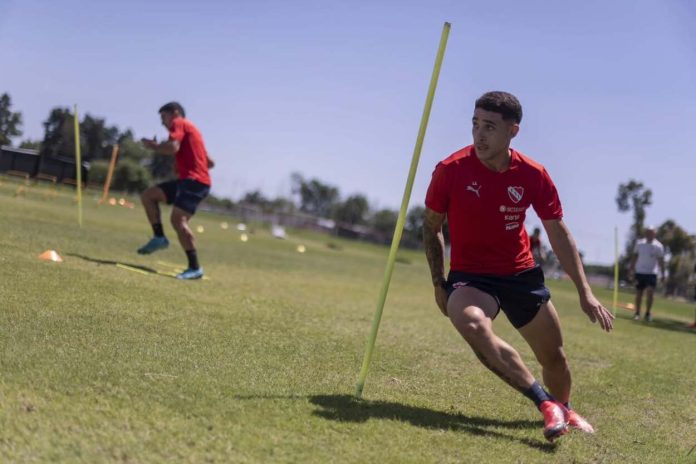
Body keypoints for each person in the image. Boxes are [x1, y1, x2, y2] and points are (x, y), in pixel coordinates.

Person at [423, 91, 614, 442]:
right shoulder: (451, 170)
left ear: (513, 131)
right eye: (475, 125)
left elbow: (557, 231)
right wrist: (439, 282)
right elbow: (431, 225)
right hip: (470, 278)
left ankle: (565, 410)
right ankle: (546, 404)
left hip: (520, 275)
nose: (479, 135)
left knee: (554, 358)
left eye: (490, 127)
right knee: (472, 324)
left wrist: (585, 292)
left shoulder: (533, 175)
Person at [137, 102, 214, 280]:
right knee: (149, 196)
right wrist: (185, 164)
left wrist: (154, 146)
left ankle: (195, 268)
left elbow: (173, 147)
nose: (163, 123)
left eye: (164, 117)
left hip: (195, 182)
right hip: (188, 181)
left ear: (175, 113)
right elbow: (210, 162)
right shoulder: (193, 131)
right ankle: (159, 237)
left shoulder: (180, 123)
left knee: (178, 220)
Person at [627, 227, 665, 322]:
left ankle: (648, 313)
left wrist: (663, 273)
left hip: (652, 273)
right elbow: (635, 257)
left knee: (650, 292)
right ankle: (637, 313)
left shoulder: (658, 246)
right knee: (639, 293)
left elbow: (661, 261)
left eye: (651, 233)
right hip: (640, 271)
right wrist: (631, 269)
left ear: (654, 234)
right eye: (648, 232)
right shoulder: (640, 244)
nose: (649, 234)